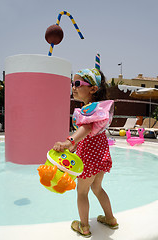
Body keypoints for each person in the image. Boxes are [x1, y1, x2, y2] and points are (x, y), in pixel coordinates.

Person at [53, 68, 118, 237]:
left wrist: (68, 142)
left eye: (77, 84)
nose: (73, 87)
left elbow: (86, 128)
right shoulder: (98, 109)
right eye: (71, 84)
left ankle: (84, 227)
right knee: (97, 188)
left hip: (88, 159)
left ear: (93, 89)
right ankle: (110, 219)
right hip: (101, 157)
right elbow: (89, 134)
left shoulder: (88, 110)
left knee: (82, 192)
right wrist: (74, 147)